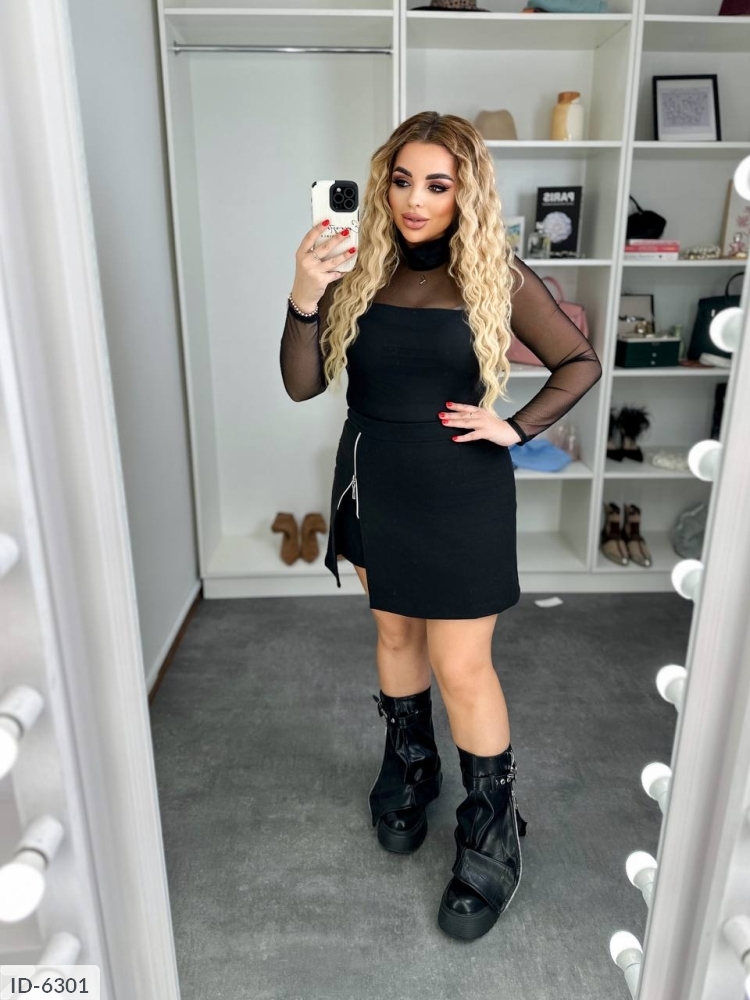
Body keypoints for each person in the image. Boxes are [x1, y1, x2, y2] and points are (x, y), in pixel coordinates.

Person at [279, 111, 602, 941]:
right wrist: (305, 295)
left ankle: (494, 830)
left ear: (466, 193)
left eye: (437, 184)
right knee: (394, 634)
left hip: (461, 491)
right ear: (382, 185)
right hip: (373, 481)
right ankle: (411, 766)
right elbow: (302, 385)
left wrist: (516, 428)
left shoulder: (494, 271)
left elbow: (579, 361)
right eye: (402, 181)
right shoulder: (356, 264)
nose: (415, 200)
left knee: (462, 665)